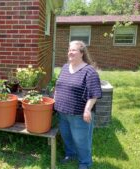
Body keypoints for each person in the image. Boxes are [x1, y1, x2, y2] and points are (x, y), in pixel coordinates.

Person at [54, 40, 102, 169]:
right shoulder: (65, 68)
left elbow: (94, 94)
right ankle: (71, 155)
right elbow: (58, 86)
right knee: (67, 137)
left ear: (81, 53)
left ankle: (85, 163)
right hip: (62, 112)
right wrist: (55, 99)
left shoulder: (89, 71)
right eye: (69, 50)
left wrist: (87, 110)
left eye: (73, 50)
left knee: (82, 141)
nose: (70, 52)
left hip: (79, 114)